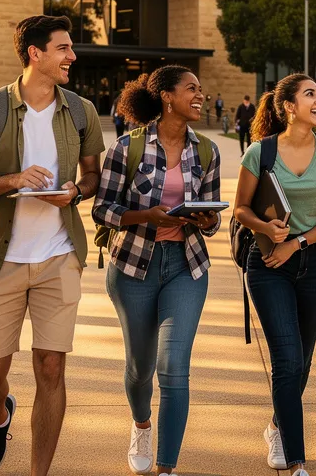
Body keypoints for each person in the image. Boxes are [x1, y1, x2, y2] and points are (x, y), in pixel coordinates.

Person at [0, 15, 105, 476]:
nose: (72, 57)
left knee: (51, 369)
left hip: (58, 256)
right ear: (35, 54)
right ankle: (0, 416)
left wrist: (75, 192)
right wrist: (14, 180)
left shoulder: (80, 111)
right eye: (63, 48)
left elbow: (93, 177)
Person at [92, 65, 221, 476]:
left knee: (174, 367)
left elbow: (214, 214)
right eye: (191, 89)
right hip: (133, 267)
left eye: (201, 89)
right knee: (140, 368)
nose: (199, 95)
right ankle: (141, 424)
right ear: (167, 97)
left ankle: (167, 469)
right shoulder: (126, 149)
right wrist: (145, 215)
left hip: (186, 266)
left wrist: (205, 221)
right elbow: (102, 208)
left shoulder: (207, 150)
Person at [233, 74, 316, 476]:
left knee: (303, 360)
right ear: (288, 107)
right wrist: (266, 230)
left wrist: (295, 244)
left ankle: (277, 424)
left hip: (315, 263)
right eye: (310, 94)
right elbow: (241, 209)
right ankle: (297, 461)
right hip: (267, 267)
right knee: (286, 360)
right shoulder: (260, 152)